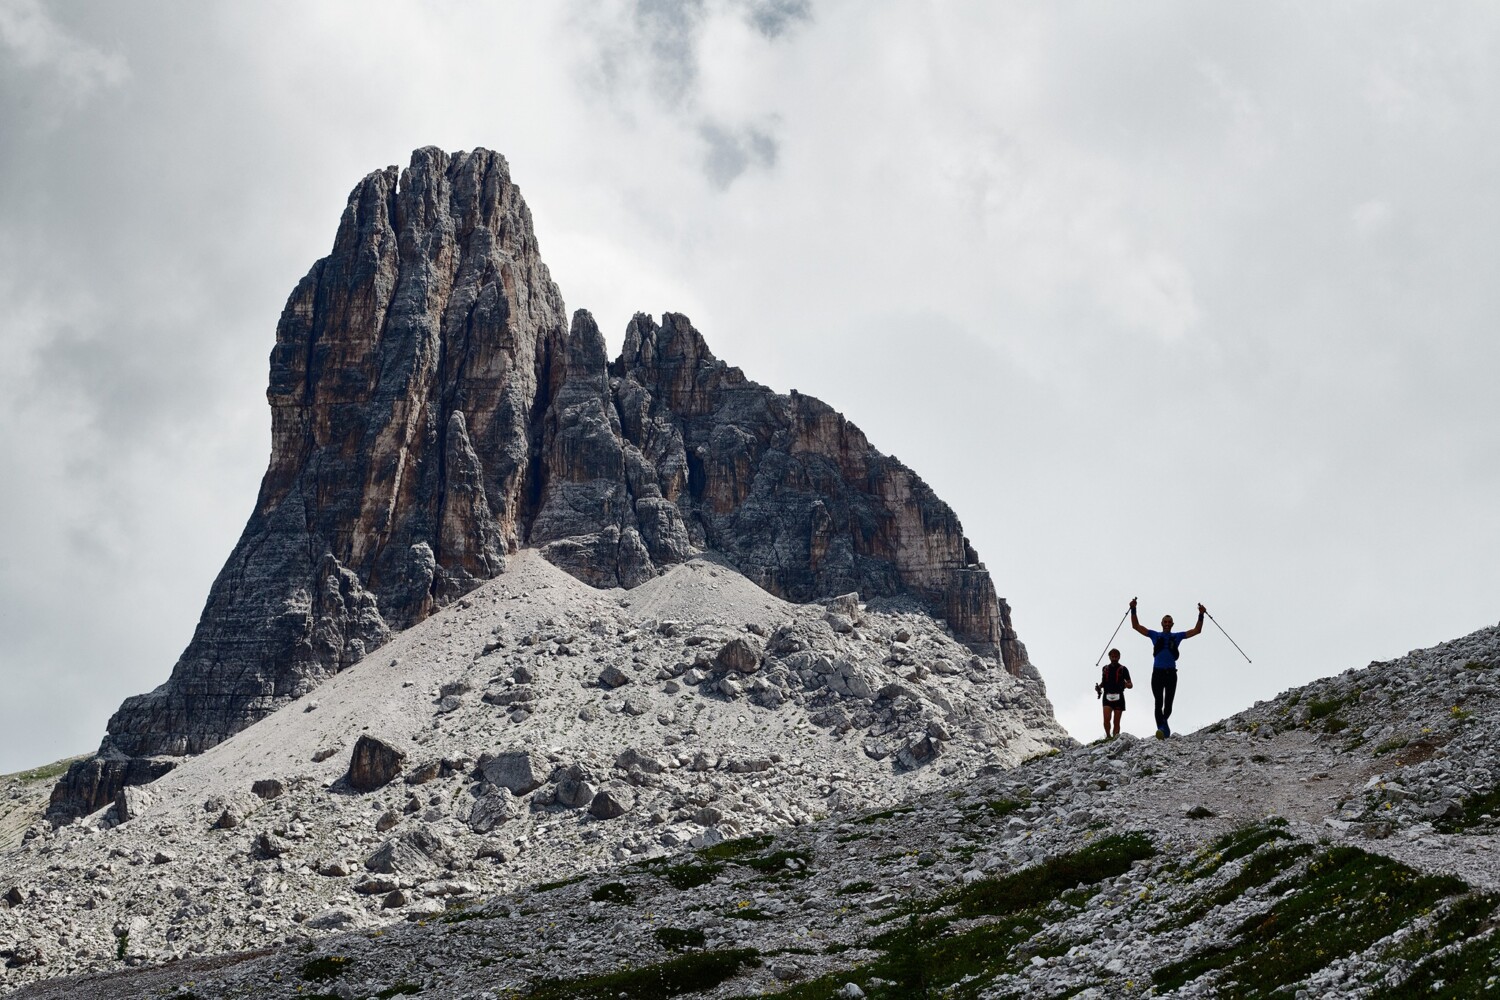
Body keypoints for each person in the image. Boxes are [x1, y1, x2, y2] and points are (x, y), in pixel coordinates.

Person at [1130, 597, 1204, 738]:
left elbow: (1196, 630)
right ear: (1161, 623)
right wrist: (1133, 609)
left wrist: (1201, 615)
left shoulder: (1177, 637)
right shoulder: (1155, 635)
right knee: (1158, 702)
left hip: (1171, 673)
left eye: (1169, 622)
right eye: (1165, 622)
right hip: (1157, 673)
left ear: (1173, 624)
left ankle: (1164, 725)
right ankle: (1162, 729)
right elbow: (1136, 626)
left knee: (1168, 704)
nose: (1167, 624)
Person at [1095, 648, 1132, 739]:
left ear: (1119, 657)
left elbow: (1130, 684)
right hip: (1107, 696)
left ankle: (1115, 738)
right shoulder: (1105, 669)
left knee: (1116, 721)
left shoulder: (1123, 669)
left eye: (1116, 657)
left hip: (1119, 697)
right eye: (1112, 657)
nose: (1114, 658)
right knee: (1106, 720)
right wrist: (1099, 687)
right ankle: (1108, 737)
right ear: (1109, 657)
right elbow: (1104, 682)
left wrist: (1126, 685)